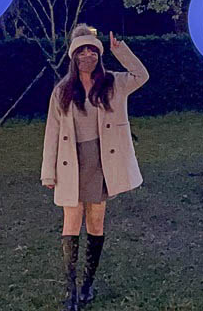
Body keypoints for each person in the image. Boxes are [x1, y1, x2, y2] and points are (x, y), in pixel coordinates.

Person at [41, 24, 149, 310]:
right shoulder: (62, 90)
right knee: (71, 224)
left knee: (96, 223)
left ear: (99, 55)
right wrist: (48, 173)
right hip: (71, 163)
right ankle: (71, 290)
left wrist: (120, 51)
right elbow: (52, 132)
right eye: (82, 51)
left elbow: (142, 75)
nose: (87, 55)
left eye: (92, 50)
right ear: (73, 56)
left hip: (102, 162)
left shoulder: (113, 82)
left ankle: (88, 283)